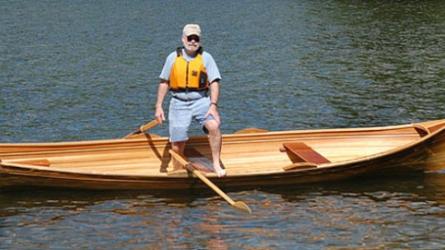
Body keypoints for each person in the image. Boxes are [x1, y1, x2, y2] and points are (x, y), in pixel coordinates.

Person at [154, 24, 225, 177]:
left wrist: (213, 105)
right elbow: (164, 82)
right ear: (183, 39)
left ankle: (216, 163)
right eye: (189, 38)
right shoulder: (172, 57)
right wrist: (159, 106)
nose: (192, 41)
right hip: (178, 102)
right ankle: (178, 171)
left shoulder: (206, 58)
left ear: (199, 40)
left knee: (213, 126)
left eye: (196, 38)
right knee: (178, 140)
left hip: (201, 100)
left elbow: (214, 83)